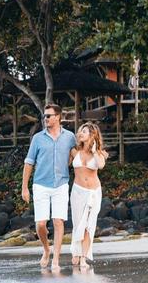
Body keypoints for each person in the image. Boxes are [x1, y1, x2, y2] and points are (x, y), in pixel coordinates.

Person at [22, 104, 75, 270]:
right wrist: (24, 188)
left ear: (58, 117)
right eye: (44, 116)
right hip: (40, 185)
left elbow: (76, 156)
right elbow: (29, 163)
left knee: (58, 221)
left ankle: (56, 259)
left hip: (61, 184)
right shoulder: (38, 138)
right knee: (40, 224)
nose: (45, 119)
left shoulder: (69, 137)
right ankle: (46, 249)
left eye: (49, 116)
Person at [69, 122, 109, 269]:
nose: (81, 133)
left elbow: (101, 165)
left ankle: (83, 258)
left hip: (94, 192)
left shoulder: (98, 153)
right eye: (80, 131)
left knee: (89, 226)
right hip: (78, 191)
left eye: (84, 131)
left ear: (92, 135)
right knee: (77, 223)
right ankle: (76, 252)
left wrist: (94, 151)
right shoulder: (74, 151)